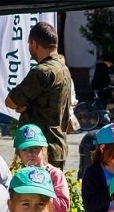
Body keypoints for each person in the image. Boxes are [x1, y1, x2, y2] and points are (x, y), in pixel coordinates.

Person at [6, 22, 76, 169]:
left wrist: (20, 105)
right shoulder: (64, 69)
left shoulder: (42, 72)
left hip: (37, 149)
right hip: (57, 145)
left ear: (34, 44)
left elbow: (10, 101)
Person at [12, 125, 71, 212]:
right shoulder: (20, 177)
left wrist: (42, 196)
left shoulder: (55, 174)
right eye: (24, 150)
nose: (30, 153)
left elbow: (64, 205)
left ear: (43, 150)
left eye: (35, 148)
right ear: (19, 154)